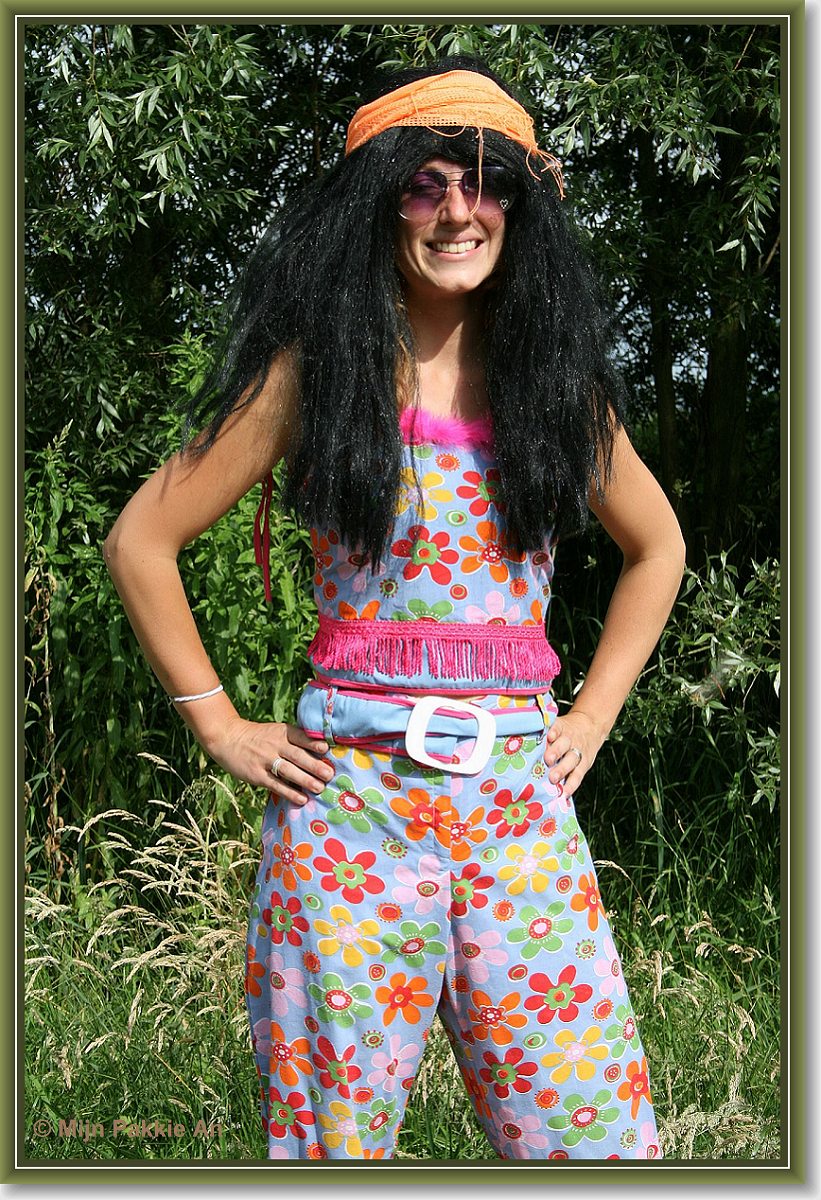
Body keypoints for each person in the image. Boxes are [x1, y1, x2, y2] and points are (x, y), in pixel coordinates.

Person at [104, 56, 685, 1162]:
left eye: (485, 183)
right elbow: (142, 540)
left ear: (520, 205)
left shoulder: (555, 385)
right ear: (378, 205)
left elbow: (657, 547)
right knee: (329, 1145)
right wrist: (218, 724)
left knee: (590, 1139)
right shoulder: (314, 374)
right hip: (347, 819)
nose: (458, 211)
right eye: (425, 184)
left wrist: (594, 712)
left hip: (518, 817)